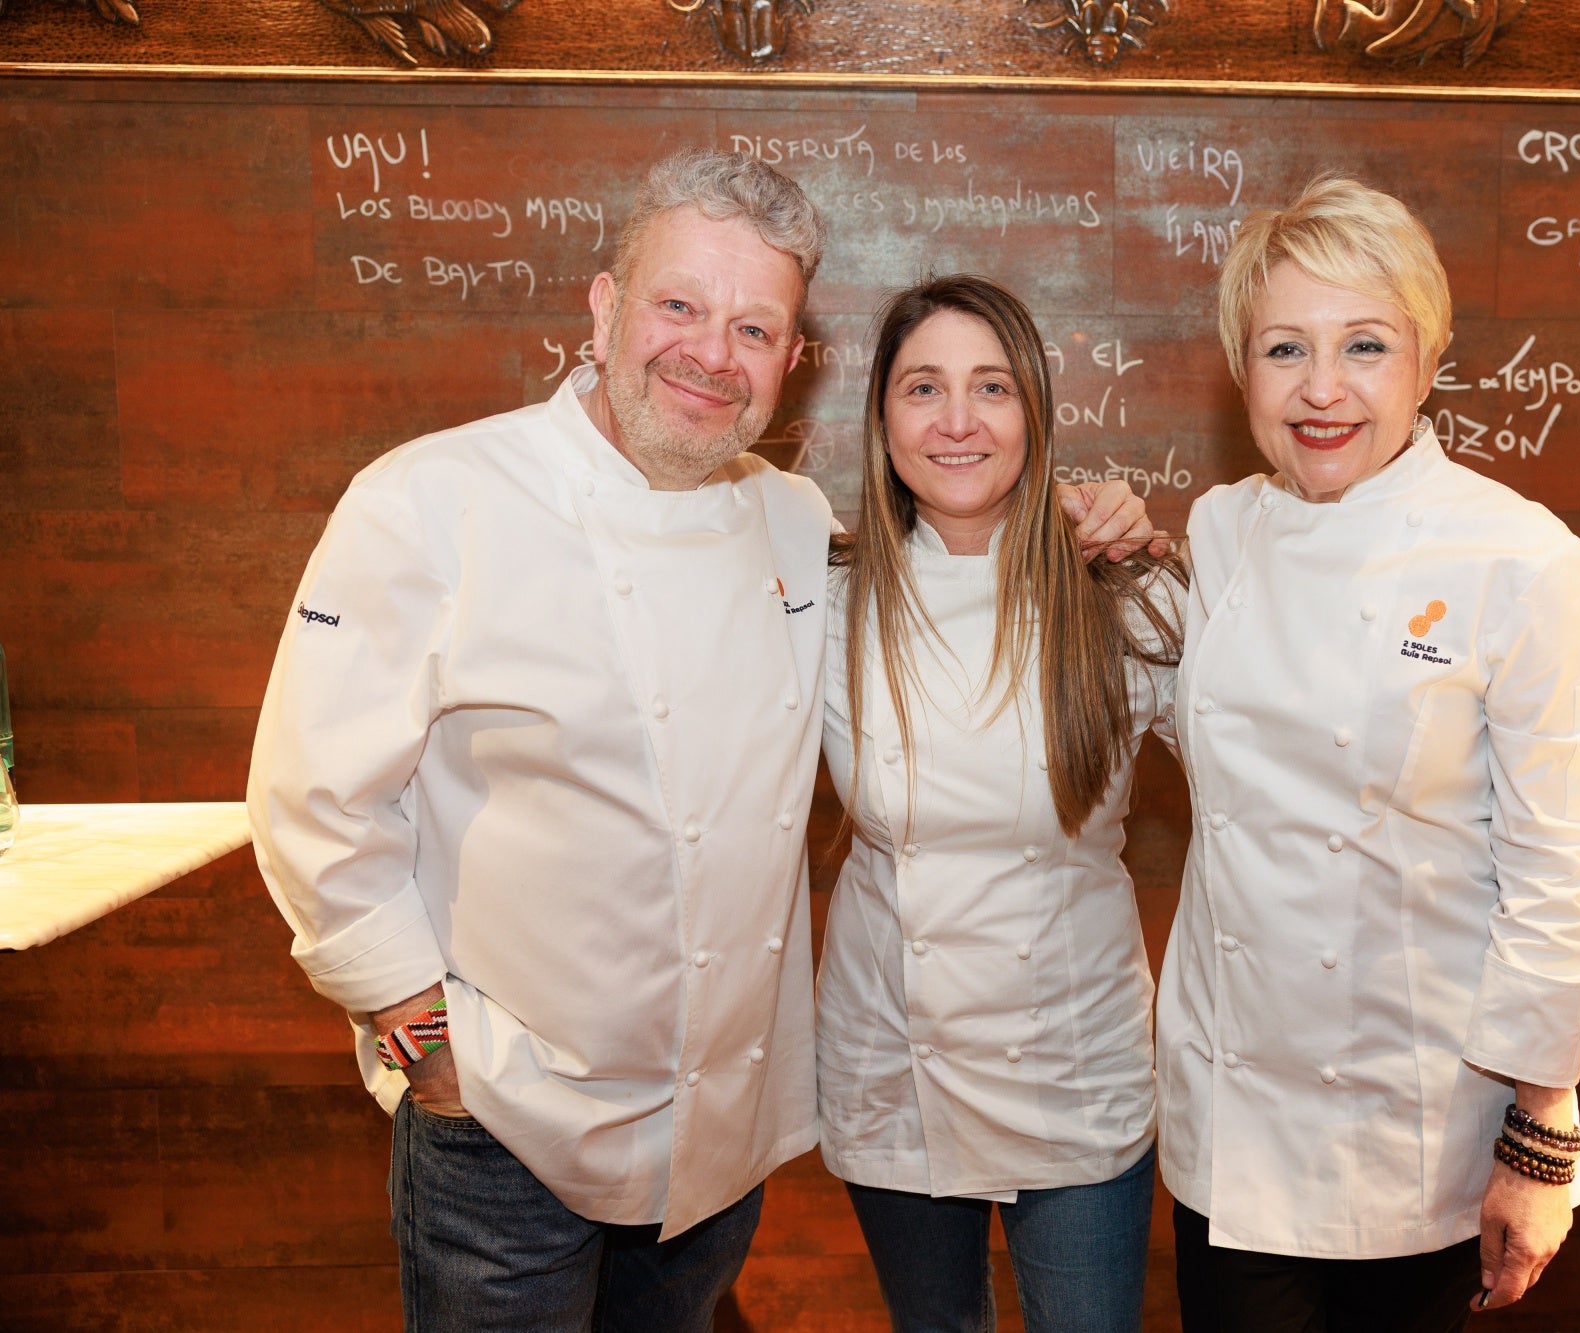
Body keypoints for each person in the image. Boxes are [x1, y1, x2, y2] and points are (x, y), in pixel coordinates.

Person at [247, 150, 1157, 1333]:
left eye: (752, 327)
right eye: (679, 305)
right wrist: (425, 1045)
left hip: (711, 1144)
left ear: (791, 361)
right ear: (604, 305)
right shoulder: (429, 501)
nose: (709, 353)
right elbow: (311, 800)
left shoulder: (787, 525)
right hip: (502, 1124)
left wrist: (1099, 521)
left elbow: (973, 559)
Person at [1156, 173, 1580, 1333]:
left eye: (1363, 345)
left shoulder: (1521, 562)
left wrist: (1539, 1132)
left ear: (1426, 360)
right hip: (1232, 1120)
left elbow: (1561, 870)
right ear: (1240, 370)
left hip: (1419, 1135)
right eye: (1283, 350)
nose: (1321, 389)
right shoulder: (1220, 530)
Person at [815, 274, 1186, 1333]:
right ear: (882, 419)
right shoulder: (827, 600)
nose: (958, 420)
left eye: (991, 386)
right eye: (921, 388)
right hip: (894, 1056)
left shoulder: (1125, 595)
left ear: (1034, 410)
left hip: (1071, 1062)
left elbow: (1273, 771)